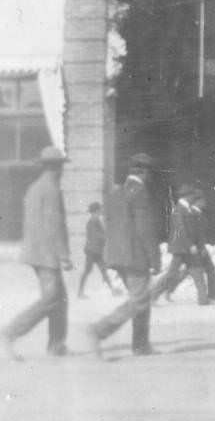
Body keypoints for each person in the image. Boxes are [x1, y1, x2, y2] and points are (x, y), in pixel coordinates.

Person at [87, 153, 163, 357]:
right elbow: (145, 229)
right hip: (135, 255)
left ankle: (141, 345)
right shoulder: (140, 192)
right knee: (138, 300)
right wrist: (155, 259)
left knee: (142, 297)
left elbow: (109, 223)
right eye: (149, 173)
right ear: (145, 172)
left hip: (116, 255)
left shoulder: (116, 192)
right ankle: (99, 330)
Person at [1, 147, 72, 361]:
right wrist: (64, 255)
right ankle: (10, 332)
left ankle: (56, 345)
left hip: (35, 251)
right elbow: (54, 224)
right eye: (60, 165)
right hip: (47, 254)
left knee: (60, 298)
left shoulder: (34, 187)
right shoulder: (51, 189)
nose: (61, 170)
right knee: (51, 298)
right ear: (55, 167)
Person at [151, 185, 210, 305]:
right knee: (172, 273)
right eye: (192, 196)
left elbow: (192, 229)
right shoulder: (179, 209)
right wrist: (190, 245)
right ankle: (152, 296)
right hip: (181, 248)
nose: (194, 198)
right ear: (187, 196)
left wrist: (197, 245)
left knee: (197, 270)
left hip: (186, 247)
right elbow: (181, 229)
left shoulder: (186, 209)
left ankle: (203, 300)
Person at [78, 202, 119, 298]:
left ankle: (113, 290)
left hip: (95, 251)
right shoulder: (93, 221)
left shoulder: (95, 221)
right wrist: (106, 237)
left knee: (102, 270)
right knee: (88, 271)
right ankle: (80, 292)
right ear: (96, 211)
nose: (101, 211)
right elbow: (96, 236)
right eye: (100, 209)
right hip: (92, 251)